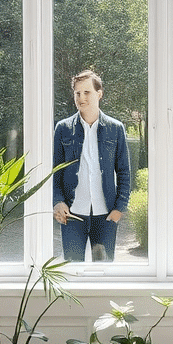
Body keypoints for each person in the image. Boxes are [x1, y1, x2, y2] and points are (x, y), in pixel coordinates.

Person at [52, 70, 131, 262]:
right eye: (77, 93)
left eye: (87, 92)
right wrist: (58, 201)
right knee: (72, 270)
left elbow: (124, 172)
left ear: (99, 93)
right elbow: (55, 173)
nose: (81, 98)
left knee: (102, 271)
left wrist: (119, 208)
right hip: (72, 216)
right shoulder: (63, 129)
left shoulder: (115, 128)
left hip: (105, 216)